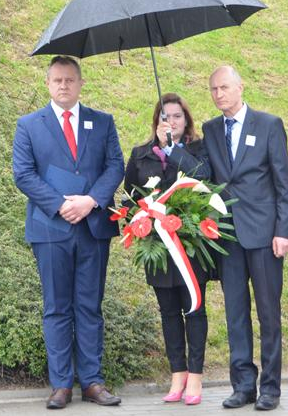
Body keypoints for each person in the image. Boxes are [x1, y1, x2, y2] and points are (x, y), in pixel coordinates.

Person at [165, 66, 288, 411]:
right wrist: (172, 148)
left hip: (265, 236)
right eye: (213, 89)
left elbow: (284, 182)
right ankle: (243, 385)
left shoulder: (268, 124)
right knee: (236, 313)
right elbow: (205, 173)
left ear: (240, 87)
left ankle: (270, 388)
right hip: (227, 236)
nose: (219, 94)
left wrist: (284, 231)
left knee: (268, 314)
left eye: (224, 87)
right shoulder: (211, 129)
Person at [12, 56, 125, 409]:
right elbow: (23, 174)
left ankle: (92, 382)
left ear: (80, 83)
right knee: (57, 307)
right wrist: (61, 205)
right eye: (57, 80)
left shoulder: (102, 122)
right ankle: (61, 384)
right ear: (48, 84)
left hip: (93, 227)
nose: (64, 85)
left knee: (90, 306)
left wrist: (91, 200)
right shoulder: (29, 125)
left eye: (70, 80)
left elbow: (115, 166)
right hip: (50, 229)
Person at [123, 93, 214, 406]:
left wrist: (175, 151)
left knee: (194, 308)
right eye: (165, 117)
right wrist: (138, 217)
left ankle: (196, 376)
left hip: (189, 246)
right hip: (158, 246)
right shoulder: (140, 154)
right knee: (168, 312)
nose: (171, 122)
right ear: (156, 121)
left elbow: (204, 176)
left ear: (186, 120)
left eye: (177, 116)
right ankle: (178, 374)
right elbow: (130, 194)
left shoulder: (198, 150)